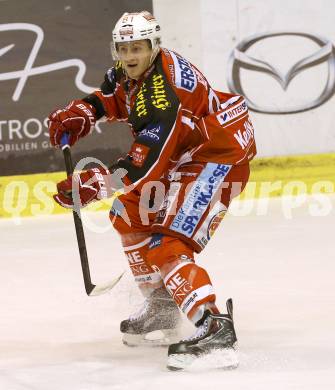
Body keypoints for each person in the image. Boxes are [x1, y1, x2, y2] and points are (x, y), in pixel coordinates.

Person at [48, 10, 256, 370]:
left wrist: (98, 183)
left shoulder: (162, 95)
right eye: (124, 47)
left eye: (138, 47)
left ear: (154, 46)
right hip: (186, 151)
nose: (130, 56)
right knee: (128, 214)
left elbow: (147, 163)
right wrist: (85, 110)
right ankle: (162, 306)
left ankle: (214, 327)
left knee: (169, 244)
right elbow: (113, 94)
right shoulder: (135, 71)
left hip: (216, 159)